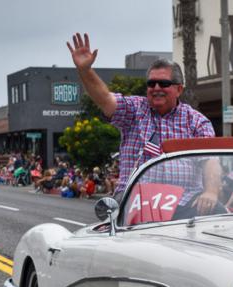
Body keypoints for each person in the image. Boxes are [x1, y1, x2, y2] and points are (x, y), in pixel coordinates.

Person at [66, 33, 218, 213]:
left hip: (184, 200)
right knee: (113, 232)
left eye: (163, 83)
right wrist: (85, 70)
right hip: (135, 198)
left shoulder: (197, 121)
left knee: (220, 215)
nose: (156, 88)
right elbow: (105, 99)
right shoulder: (134, 109)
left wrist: (211, 192)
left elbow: (210, 159)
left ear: (179, 89)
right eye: (151, 84)